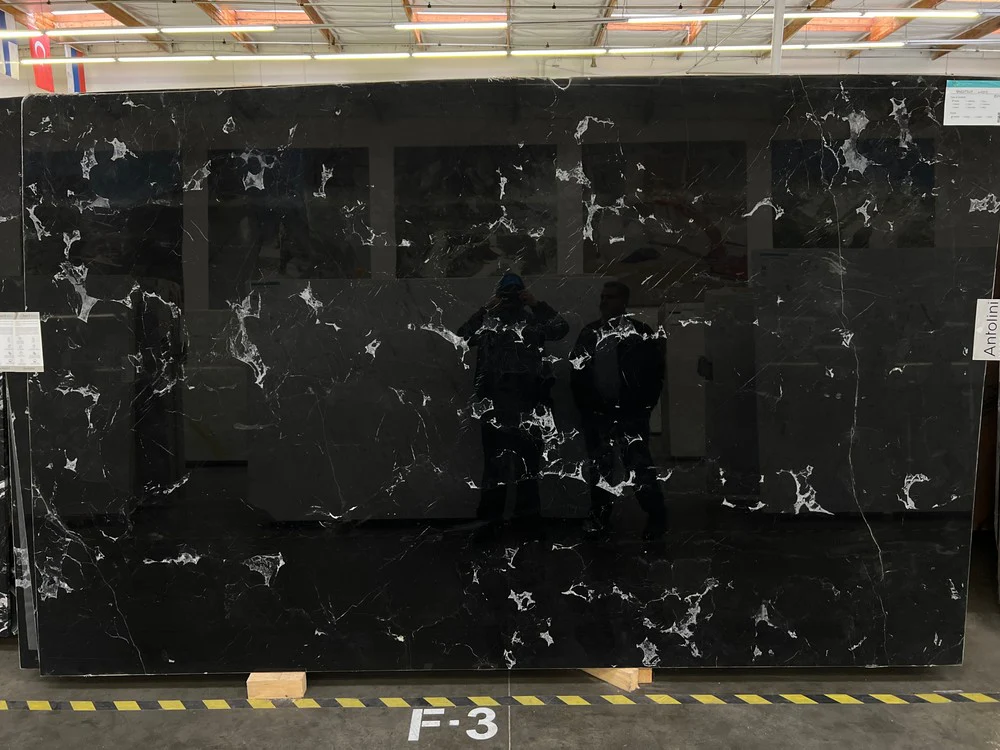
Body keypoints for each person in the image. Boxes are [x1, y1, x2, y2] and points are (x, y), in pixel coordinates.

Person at [458, 273, 569, 524]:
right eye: (505, 296)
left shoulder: (531, 324)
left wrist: (536, 304)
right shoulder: (490, 326)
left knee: (526, 468)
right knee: (496, 469)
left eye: (513, 295)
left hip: (527, 406)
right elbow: (462, 336)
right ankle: (493, 523)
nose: (509, 301)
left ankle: (524, 522)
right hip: (497, 407)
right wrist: (486, 309)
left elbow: (561, 328)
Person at [570, 281, 667, 539]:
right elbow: (577, 373)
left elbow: (655, 374)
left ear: (624, 302)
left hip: (630, 413)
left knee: (638, 467)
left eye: (610, 297)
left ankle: (657, 516)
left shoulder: (640, 333)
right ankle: (600, 517)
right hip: (599, 414)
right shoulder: (590, 333)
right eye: (603, 297)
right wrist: (587, 409)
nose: (604, 302)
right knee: (600, 469)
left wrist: (643, 407)